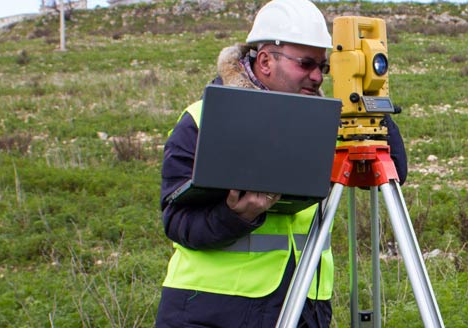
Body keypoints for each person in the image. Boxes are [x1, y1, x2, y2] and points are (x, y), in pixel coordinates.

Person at [155, 1, 407, 327]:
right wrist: (236, 217)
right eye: (305, 64)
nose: (317, 77)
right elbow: (176, 222)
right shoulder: (202, 119)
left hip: (304, 307)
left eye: (323, 67)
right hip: (211, 310)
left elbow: (393, 171)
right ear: (265, 61)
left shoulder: (327, 123)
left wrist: (366, 99)